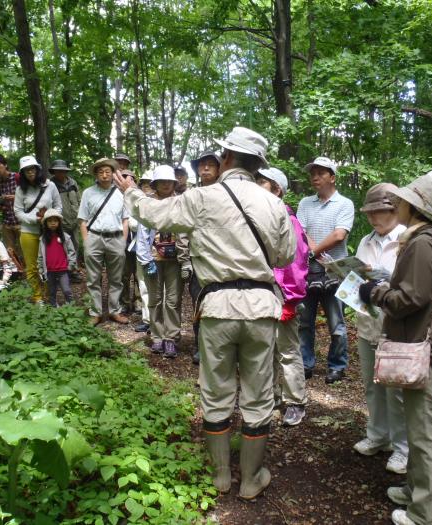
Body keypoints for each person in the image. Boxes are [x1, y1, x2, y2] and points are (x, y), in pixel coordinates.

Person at [113, 126, 296, 500]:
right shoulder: (274, 203)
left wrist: (130, 191)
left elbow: (155, 215)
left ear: (225, 158)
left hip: (216, 307)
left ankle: (221, 476)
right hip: (261, 308)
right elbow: (284, 257)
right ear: (258, 165)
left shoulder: (201, 198)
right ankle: (251, 477)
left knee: (216, 389)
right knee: (259, 393)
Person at [358, 171, 432, 525]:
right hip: (424, 347)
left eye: (403, 200)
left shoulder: (421, 243)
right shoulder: (425, 240)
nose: (397, 204)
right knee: (419, 432)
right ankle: (416, 491)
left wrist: (374, 292)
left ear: (417, 205)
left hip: (428, 352)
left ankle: (428, 515)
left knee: (427, 438)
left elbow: (412, 298)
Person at [353, 183, 408, 475]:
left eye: (380, 212)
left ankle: (402, 448)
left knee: (395, 390)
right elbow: (357, 276)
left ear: (394, 210)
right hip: (367, 322)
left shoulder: (407, 239)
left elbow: (412, 286)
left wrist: (387, 279)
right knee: (372, 385)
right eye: (370, 212)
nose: (374, 218)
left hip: (395, 327)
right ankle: (377, 435)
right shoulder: (365, 241)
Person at [255, 167, 308, 427]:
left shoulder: (289, 221)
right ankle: (272, 396)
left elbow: (296, 264)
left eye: (262, 182)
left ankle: (295, 401)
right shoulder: (261, 218)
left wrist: (291, 299)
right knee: (267, 347)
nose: (256, 186)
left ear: (277, 189)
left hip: (283, 293)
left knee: (287, 350)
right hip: (263, 292)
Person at [296, 156, 354, 383]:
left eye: (320, 173)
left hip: (336, 272)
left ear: (332, 177)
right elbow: (300, 231)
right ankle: (305, 363)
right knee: (305, 321)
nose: (315, 177)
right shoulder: (305, 203)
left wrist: (314, 251)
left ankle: (337, 365)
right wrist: (315, 254)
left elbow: (340, 234)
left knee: (337, 323)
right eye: (313, 173)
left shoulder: (345, 204)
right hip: (308, 271)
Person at [135, 165, 186, 358]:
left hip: (175, 259)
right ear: (155, 184)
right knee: (155, 299)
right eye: (162, 181)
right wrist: (145, 260)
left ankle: (171, 338)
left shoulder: (181, 202)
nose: (166, 184)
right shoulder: (147, 204)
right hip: (153, 258)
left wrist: (186, 259)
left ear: (174, 183)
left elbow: (186, 229)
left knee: (173, 301)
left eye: (169, 181)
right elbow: (141, 233)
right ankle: (157, 337)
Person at [78, 158, 129, 325]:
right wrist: (86, 241)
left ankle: (115, 311)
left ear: (113, 173)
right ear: (96, 174)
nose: (105, 175)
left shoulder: (121, 193)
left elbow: (125, 219)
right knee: (93, 278)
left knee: (116, 278)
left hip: (116, 238)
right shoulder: (88, 193)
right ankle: (96, 312)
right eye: (101, 172)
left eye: (108, 171)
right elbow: (83, 220)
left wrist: (123, 240)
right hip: (94, 237)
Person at [185, 150, 222, 364]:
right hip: (198, 260)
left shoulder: (226, 193)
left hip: (222, 261)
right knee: (198, 303)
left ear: (219, 169)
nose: (206, 168)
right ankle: (200, 346)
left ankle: (219, 350)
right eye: (202, 165)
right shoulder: (191, 195)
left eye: (211, 164)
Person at [13, 155, 62, 304]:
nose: (30, 172)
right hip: (29, 232)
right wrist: (34, 219)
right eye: (27, 170)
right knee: (32, 266)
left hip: (48, 232)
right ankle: (37, 296)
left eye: (32, 169)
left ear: (38, 169)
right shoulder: (20, 190)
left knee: (50, 264)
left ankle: (50, 295)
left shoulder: (50, 186)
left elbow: (58, 206)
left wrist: (50, 218)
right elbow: (18, 211)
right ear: (22, 173)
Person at [49, 159, 82, 282]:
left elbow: (79, 200)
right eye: (58, 171)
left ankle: (73, 270)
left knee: (75, 246)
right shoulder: (51, 185)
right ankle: (62, 272)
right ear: (54, 172)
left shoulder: (73, 182)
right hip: (60, 222)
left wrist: (80, 214)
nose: (61, 173)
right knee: (61, 246)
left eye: (63, 171)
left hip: (75, 220)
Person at [38, 208, 77, 307]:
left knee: (66, 289)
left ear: (59, 222)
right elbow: (40, 256)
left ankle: (71, 306)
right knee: (52, 290)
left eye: (55, 221)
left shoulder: (65, 237)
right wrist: (41, 269)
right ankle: (54, 306)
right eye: (50, 221)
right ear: (46, 223)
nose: (53, 223)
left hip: (63, 269)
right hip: (50, 270)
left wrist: (71, 265)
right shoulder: (43, 239)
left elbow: (72, 251)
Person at [0, 154, 22, 260]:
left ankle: (28, 274)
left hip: (20, 221)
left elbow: (27, 197)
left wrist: (13, 197)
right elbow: (0, 202)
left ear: (5, 165)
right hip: (7, 221)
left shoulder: (17, 177)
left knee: (24, 249)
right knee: (10, 251)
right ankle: (15, 273)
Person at [133, 171, 153, 333]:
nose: (147, 186)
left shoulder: (163, 201)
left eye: (149, 183)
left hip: (160, 252)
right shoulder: (137, 202)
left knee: (162, 290)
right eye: (144, 183)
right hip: (141, 249)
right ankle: (147, 320)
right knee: (144, 286)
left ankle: (160, 323)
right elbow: (132, 223)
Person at [120, 169, 141, 314]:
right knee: (124, 274)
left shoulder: (140, 197)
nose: (128, 181)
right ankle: (125, 302)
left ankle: (138, 301)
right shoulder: (115, 197)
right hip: (122, 242)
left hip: (139, 243)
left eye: (131, 178)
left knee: (139, 275)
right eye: (124, 178)